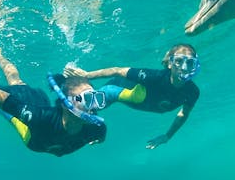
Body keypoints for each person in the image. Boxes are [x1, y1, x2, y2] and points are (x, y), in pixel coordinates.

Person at [0, 48, 106, 156]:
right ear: (65, 102)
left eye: (95, 98)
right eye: (85, 99)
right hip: (32, 134)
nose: (92, 107)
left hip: (42, 113)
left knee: (17, 81)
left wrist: (99, 139)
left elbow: (100, 134)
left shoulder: (97, 128)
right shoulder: (38, 117)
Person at [64, 43, 200, 149]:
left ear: (195, 65)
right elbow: (118, 71)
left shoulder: (193, 92)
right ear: (170, 63)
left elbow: (184, 113)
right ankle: (72, 92)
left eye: (190, 62)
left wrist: (167, 136)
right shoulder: (154, 77)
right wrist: (87, 75)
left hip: (142, 101)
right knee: (88, 103)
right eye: (179, 61)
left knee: (91, 111)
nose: (184, 67)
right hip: (120, 89)